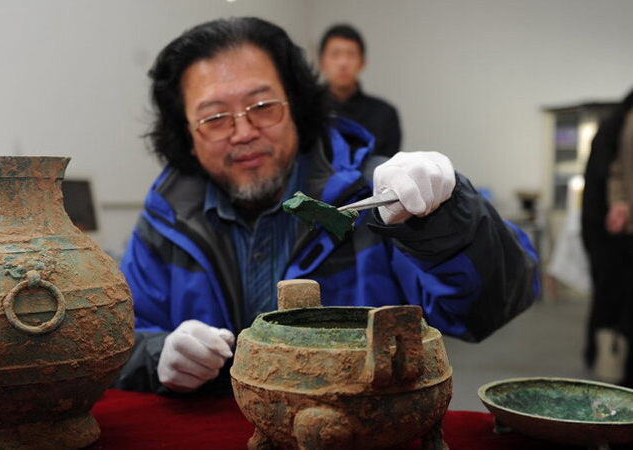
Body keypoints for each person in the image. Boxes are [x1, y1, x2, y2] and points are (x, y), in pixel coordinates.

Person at [114, 17, 539, 395]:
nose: (243, 132)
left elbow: (493, 306)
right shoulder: (166, 217)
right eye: (214, 118)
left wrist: (446, 218)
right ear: (186, 133)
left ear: (296, 106)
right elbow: (113, 344)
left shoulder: (376, 200)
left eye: (262, 107)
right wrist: (158, 355)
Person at [581, 89, 633, 388]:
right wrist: (619, 205)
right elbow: (614, 174)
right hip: (611, 231)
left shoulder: (615, 123)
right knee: (613, 299)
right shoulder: (619, 126)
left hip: (606, 228)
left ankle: (603, 361)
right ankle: (610, 366)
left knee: (608, 296)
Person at [318, 23, 402, 158]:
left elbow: (388, 166)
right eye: (335, 54)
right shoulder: (306, 110)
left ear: (362, 62)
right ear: (321, 62)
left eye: (351, 55)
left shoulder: (385, 114)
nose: (343, 62)